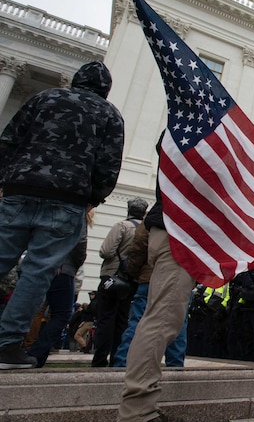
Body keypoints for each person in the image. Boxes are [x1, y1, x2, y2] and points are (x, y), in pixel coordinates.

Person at [0, 61, 124, 370]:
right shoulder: (109, 114)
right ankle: (7, 344)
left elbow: (8, 140)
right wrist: (92, 199)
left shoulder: (45, 98)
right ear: (105, 89)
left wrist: (6, 181)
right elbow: (108, 165)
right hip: (68, 199)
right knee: (38, 272)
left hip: (19, 189)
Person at [107, 134, 192, 422]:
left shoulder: (182, 128)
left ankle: (142, 411)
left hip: (174, 227)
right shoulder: (191, 130)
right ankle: (135, 416)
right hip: (178, 230)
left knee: (162, 319)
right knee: (161, 321)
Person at [113, 221, 188, 368]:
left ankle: (123, 363)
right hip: (181, 278)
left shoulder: (152, 218)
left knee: (139, 321)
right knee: (177, 323)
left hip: (149, 278)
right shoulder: (189, 213)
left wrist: (134, 272)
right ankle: (175, 366)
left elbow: (138, 248)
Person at [28, 208, 93, 367]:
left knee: (34, 310)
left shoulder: (47, 208)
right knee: (61, 314)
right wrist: (75, 265)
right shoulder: (77, 213)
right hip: (62, 269)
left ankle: (24, 346)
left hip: (38, 264)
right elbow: (80, 244)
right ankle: (36, 353)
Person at [92, 198, 147, 367]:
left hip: (112, 276)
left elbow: (106, 251)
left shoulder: (122, 226)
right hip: (131, 280)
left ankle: (100, 358)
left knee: (105, 318)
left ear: (128, 210)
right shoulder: (146, 230)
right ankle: (118, 357)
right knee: (123, 320)